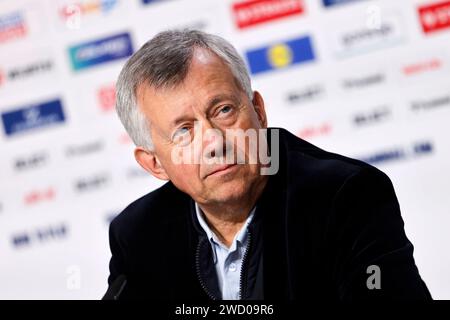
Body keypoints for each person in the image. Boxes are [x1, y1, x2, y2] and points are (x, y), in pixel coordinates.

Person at [104, 29, 431, 300]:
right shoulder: (138, 235)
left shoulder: (345, 197)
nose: (215, 143)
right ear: (154, 163)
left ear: (258, 111)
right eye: (184, 131)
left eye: (223, 111)